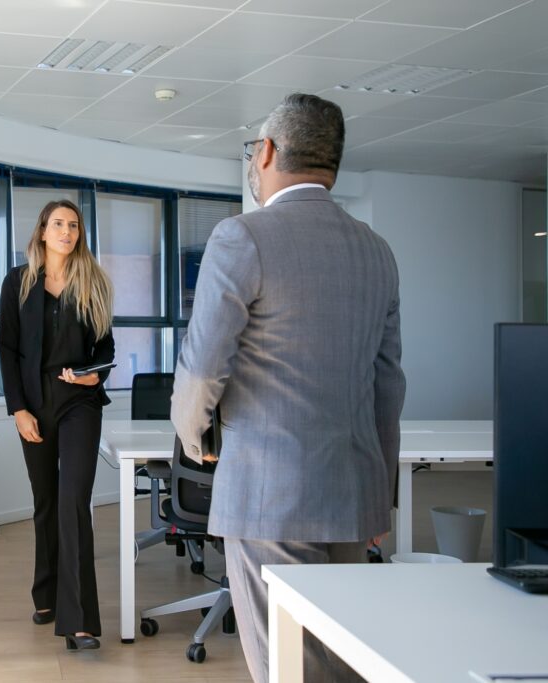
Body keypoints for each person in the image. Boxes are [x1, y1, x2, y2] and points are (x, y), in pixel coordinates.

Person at [171, 93, 406, 683]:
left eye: (254, 150)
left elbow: (202, 368)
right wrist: (382, 494)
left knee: (286, 666)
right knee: (342, 658)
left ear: (269, 152)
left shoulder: (242, 237)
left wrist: (193, 436)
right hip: (353, 498)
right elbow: (388, 387)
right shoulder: (377, 251)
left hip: (268, 499)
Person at [0, 199, 115, 652]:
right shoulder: (18, 282)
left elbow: (105, 348)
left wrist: (94, 375)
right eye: (59, 224)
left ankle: (79, 619)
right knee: (46, 500)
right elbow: (7, 349)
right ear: (43, 231)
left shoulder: (94, 282)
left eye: (74, 225)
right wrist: (18, 409)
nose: (67, 231)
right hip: (34, 403)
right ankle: (45, 594)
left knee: (73, 501)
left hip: (80, 402)